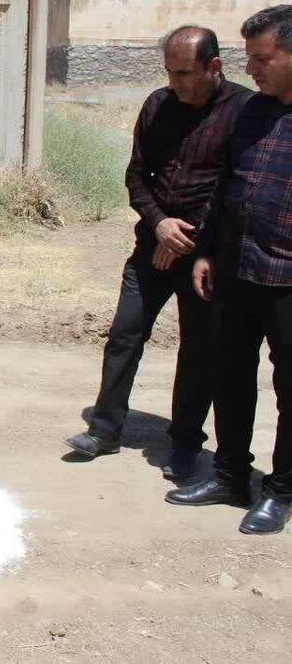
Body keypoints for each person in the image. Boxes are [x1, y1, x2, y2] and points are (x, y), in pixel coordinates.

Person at [64, 26, 252, 479]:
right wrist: (160, 224)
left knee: (198, 351)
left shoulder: (244, 111)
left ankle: (186, 444)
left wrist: (188, 238)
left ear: (214, 67)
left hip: (204, 258)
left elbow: (233, 187)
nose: (176, 83)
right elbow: (136, 177)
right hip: (151, 245)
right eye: (169, 72)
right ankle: (105, 430)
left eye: (185, 73)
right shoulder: (157, 105)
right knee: (125, 334)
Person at [166, 6, 292, 535]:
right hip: (237, 269)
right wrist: (207, 251)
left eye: (262, 58)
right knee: (230, 376)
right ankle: (230, 474)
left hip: (288, 278)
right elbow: (226, 187)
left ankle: (281, 491)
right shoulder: (252, 112)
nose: (253, 67)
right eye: (250, 57)